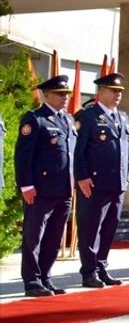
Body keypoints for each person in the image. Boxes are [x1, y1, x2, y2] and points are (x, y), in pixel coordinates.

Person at [16, 74, 76, 296]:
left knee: (54, 235)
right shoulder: (35, 119)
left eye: (66, 94)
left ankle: (45, 276)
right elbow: (23, 156)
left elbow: (70, 154)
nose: (65, 98)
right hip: (40, 190)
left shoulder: (67, 120)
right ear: (46, 94)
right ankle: (31, 281)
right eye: (60, 94)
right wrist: (26, 185)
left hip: (63, 189)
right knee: (34, 236)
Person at [73, 71, 129, 288]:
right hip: (95, 184)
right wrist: (82, 177)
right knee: (91, 228)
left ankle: (101, 266)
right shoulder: (87, 116)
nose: (118, 95)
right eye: (113, 91)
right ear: (101, 92)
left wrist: (126, 177)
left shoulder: (122, 117)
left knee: (109, 228)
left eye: (120, 92)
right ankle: (89, 271)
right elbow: (78, 151)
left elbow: (127, 150)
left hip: (117, 183)